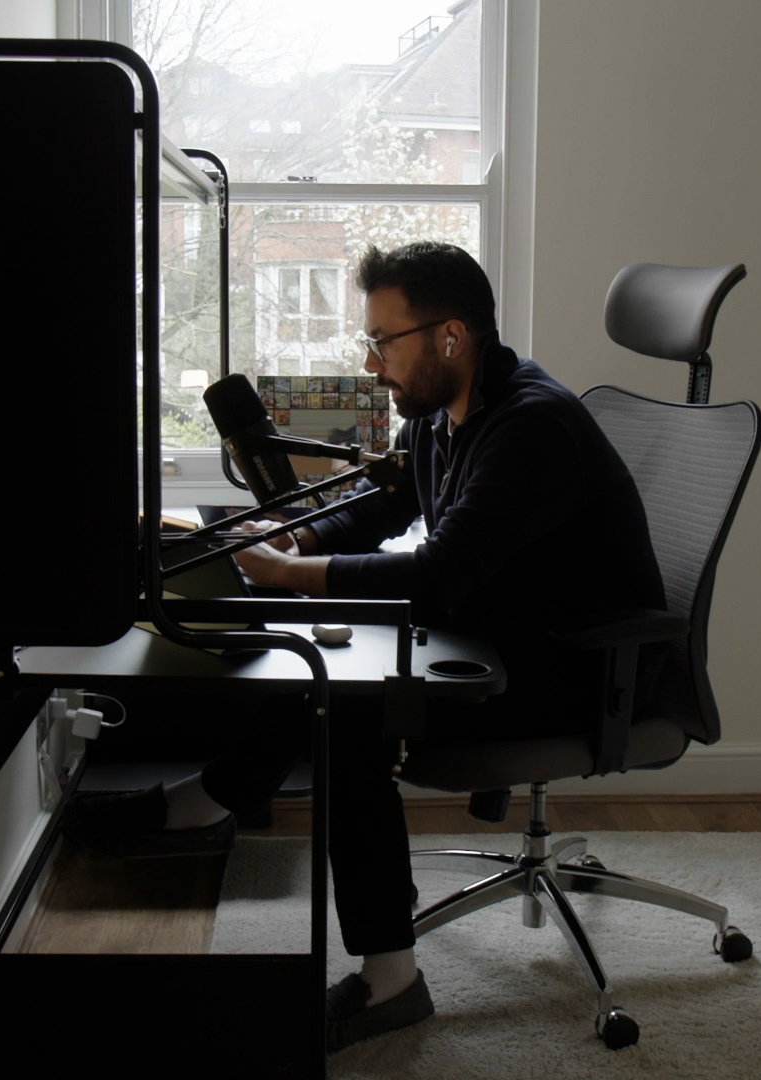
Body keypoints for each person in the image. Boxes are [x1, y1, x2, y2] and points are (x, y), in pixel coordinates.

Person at [64, 242, 665, 1051]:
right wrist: (298, 535)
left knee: (347, 715)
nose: (374, 362)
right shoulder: (449, 413)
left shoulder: (532, 427)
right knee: (333, 686)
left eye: (384, 341)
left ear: (449, 337)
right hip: (500, 644)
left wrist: (290, 570)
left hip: (578, 672)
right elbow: (383, 511)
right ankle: (203, 808)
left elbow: (442, 572)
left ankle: (388, 983)